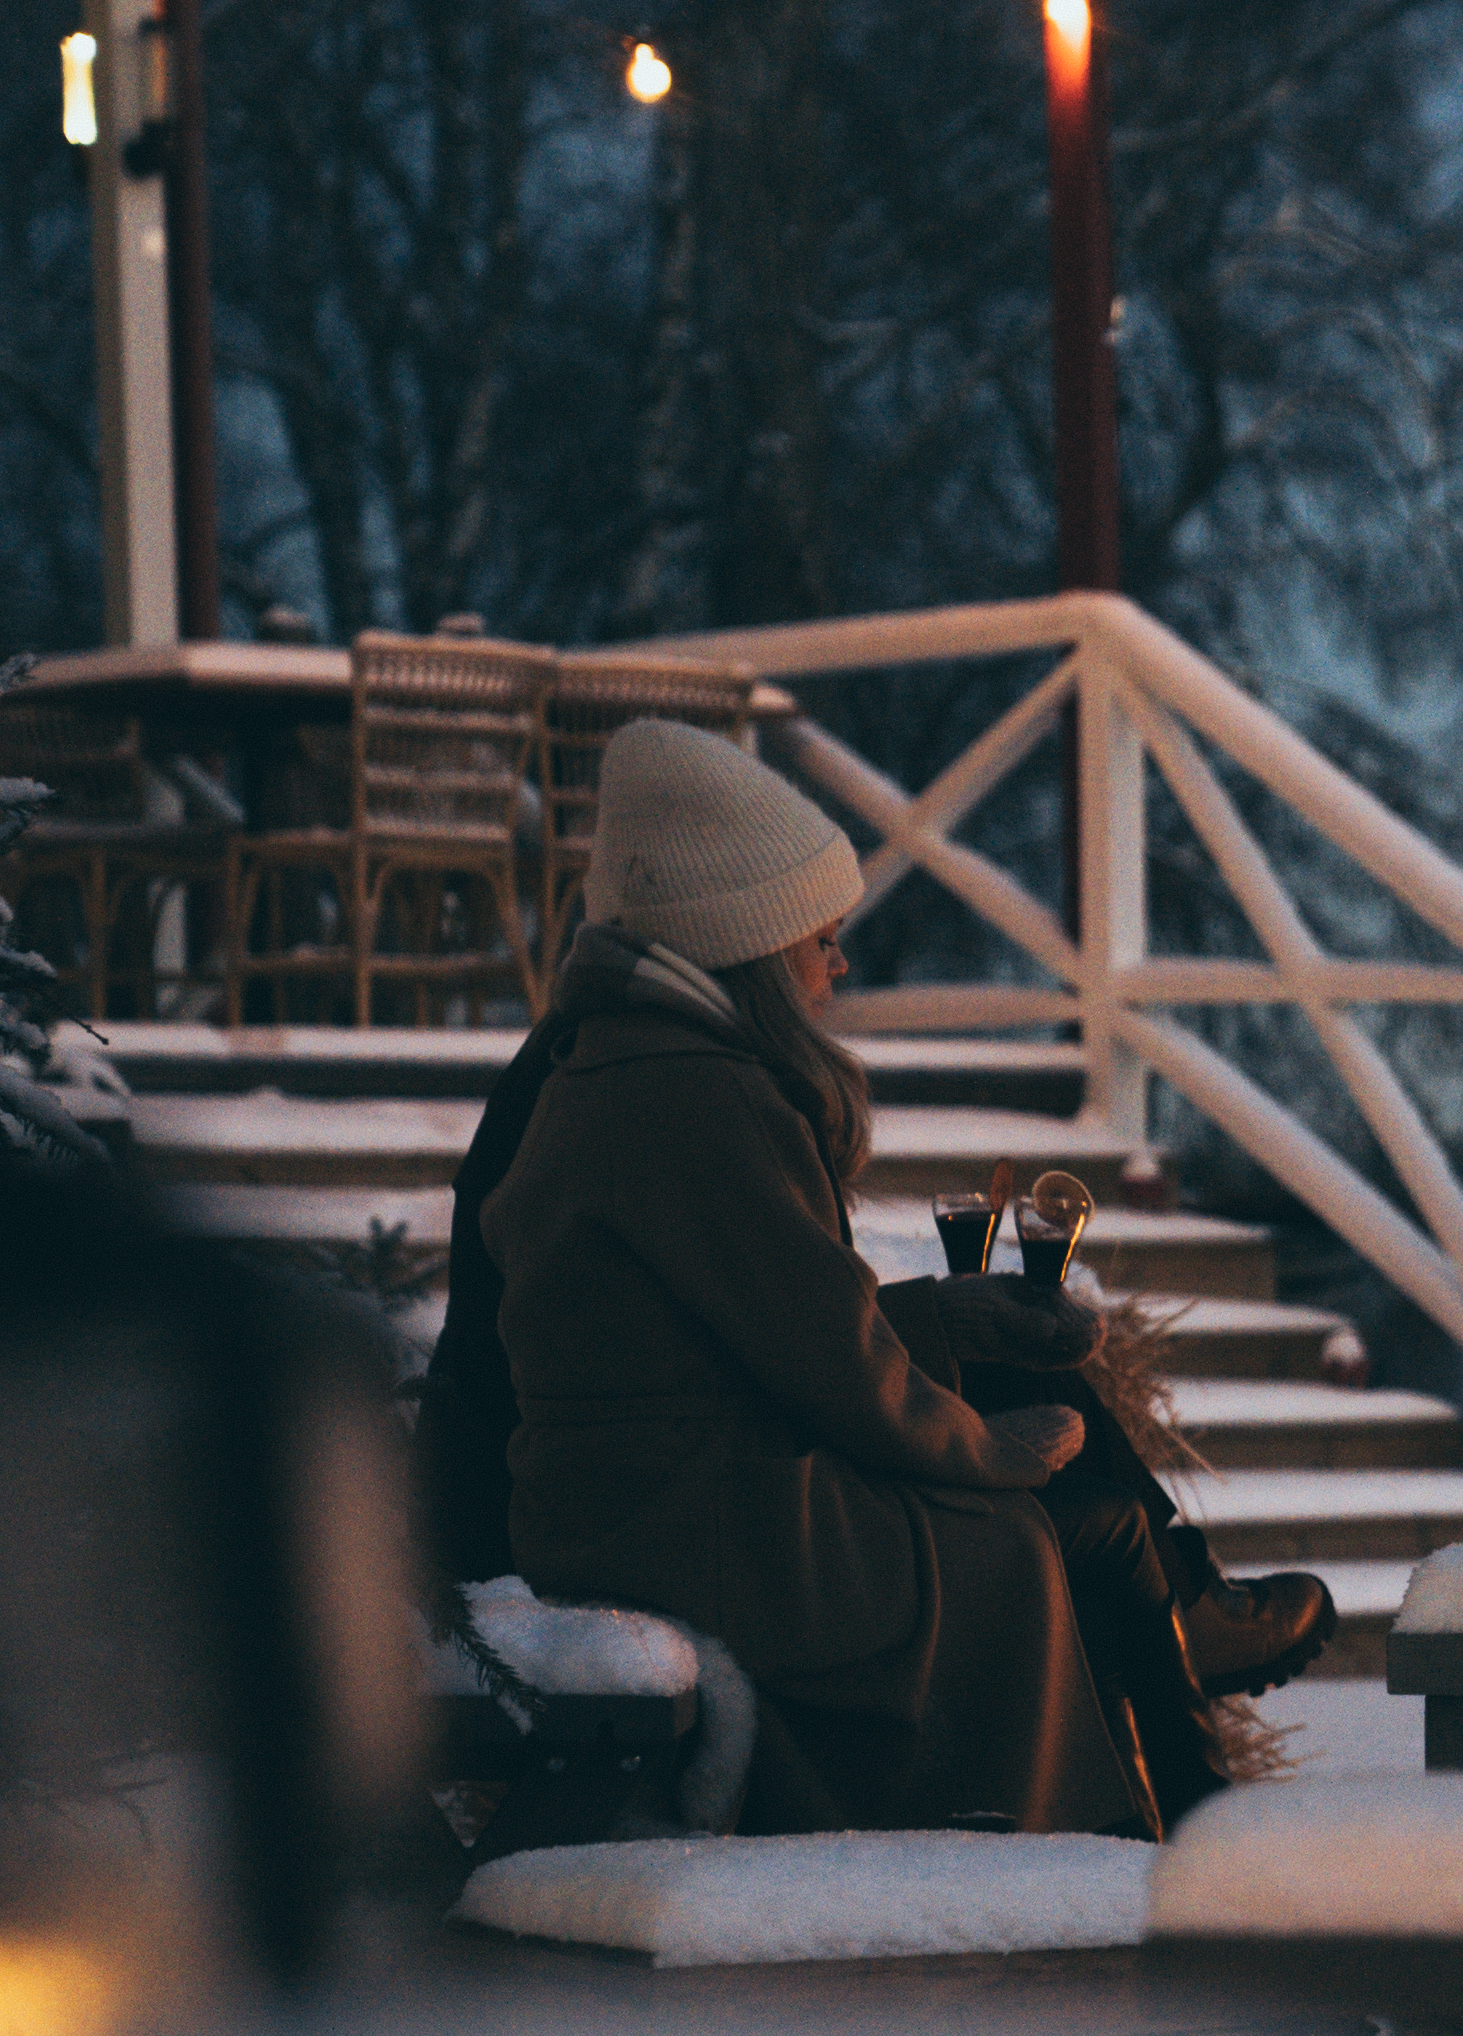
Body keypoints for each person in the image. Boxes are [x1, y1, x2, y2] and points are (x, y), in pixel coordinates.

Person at [419, 719, 1328, 1838]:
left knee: (1066, 1512)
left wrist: (947, 1318)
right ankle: (1135, 1828)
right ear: (751, 946)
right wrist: (989, 1451)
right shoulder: (699, 1094)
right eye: (823, 937)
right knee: (1040, 1538)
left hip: (657, 1502)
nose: (840, 964)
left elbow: (751, 1328)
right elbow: (827, 1361)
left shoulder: (612, 1065)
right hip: (710, 1528)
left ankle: (1180, 1793)